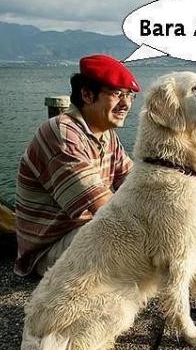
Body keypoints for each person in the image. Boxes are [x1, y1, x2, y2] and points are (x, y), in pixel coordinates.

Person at [14, 54, 140, 277]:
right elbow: (104, 209)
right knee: (128, 240)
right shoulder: (62, 134)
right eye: (117, 94)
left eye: (129, 95)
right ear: (87, 94)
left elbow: (135, 186)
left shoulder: (106, 134)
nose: (126, 104)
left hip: (83, 232)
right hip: (49, 249)